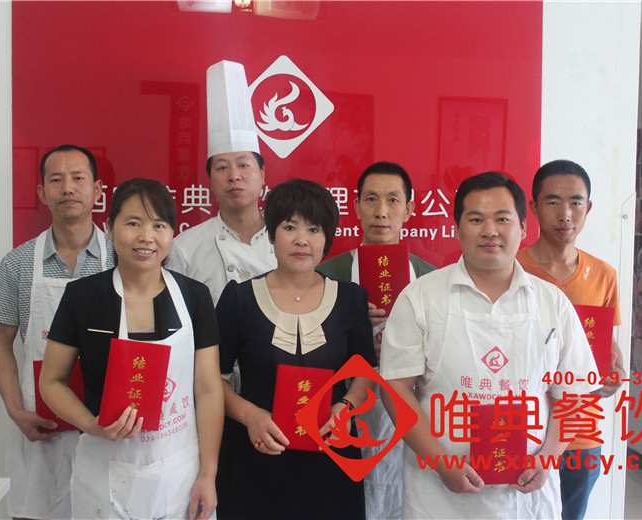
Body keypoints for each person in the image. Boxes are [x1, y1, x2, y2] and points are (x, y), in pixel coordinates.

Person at [380, 172, 600, 519]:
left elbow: (574, 392)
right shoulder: (420, 298)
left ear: (523, 228)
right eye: (476, 219)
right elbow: (395, 388)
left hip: (526, 499)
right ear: (457, 228)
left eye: (502, 219)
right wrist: (441, 462)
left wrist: (548, 457)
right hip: (439, 498)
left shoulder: (552, 303)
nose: (490, 231)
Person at [39, 179, 224, 519]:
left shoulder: (194, 296)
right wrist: (90, 423)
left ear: (172, 233)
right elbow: (51, 381)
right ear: (110, 228)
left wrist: (208, 475)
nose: (146, 237)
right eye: (133, 223)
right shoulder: (83, 297)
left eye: (159, 225)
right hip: (103, 468)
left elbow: (209, 389)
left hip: (179, 470)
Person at [215, 179, 376, 519]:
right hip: (257, 455)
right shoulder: (238, 298)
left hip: (332, 457)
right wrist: (250, 416)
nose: (302, 240)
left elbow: (364, 373)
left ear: (327, 238)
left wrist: (346, 408)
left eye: (314, 229)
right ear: (272, 235)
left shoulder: (350, 298)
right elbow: (212, 381)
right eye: (290, 227)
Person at [0, 144, 111, 519]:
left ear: (97, 190)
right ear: (42, 192)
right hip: (41, 428)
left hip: (108, 428)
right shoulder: (17, 263)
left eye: (78, 178)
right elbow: (1, 343)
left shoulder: (122, 259)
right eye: (56, 180)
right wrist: (15, 411)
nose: (67, 188)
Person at [317, 161, 434, 519]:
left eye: (393, 200)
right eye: (371, 199)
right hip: (345, 407)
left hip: (412, 409)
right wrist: (347, 325)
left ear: (409, 209)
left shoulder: (431, 280)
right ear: (356, 207)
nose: (381, 212)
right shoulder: (327, 275)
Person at [517, 159, 624, 520]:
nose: (565, 214)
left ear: (588, 208)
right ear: (533, 207)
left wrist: (615, 370)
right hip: (524, 428)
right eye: (552, 201)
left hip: (580, 430)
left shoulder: (604, 275)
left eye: (576, 202)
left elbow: (607, 344)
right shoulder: (512, 269)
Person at [168, 60, 276, 306]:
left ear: (262, 174)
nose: (234, 176)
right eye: (222, 167)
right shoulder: (184, 248)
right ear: (210, 180)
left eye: (243, 165)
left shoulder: (287, 238)